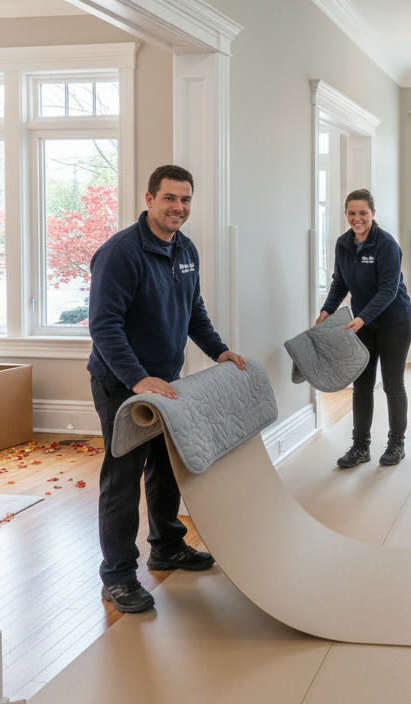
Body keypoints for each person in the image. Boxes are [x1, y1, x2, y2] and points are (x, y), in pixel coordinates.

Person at [86, 164, 248, 614]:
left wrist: (219, 351)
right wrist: (137, 378)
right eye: (170, 198)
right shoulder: (121, 253)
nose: (179, 207)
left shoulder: (184, 249)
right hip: (122, 384)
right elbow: (104, 324)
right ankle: (117, 576)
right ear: (149, 198)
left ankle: (167, 546)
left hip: (166, 383)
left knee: (166, 467)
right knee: (122, 479)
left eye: (186, 200)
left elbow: (193, 310)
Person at [317, 189, 411, 469]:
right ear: (346, 214)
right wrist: (327, 310)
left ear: (373, 213)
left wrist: (361, 318)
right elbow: (339, 282)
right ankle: (360, 447)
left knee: (393, 384)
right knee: (361, 385)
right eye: (351, 213)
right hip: (363, 324)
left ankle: (396, 443)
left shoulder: (386, 244)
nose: (356, 219)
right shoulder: (343, 244)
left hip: (395, 322)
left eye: (362, 213)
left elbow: (388, 290)